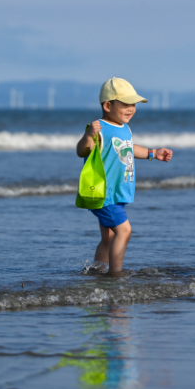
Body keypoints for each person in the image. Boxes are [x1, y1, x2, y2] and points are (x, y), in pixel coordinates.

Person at [76, 77, 174, 274]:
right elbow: (82, 151)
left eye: (134, 105)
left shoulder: (124, 128)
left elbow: (128, 148)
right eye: (126, 104)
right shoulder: (99, 128)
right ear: (108, 105)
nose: (131, 109)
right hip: (106, 193)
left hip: (117, 193)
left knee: (109, 238)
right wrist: (88, 136)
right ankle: (115, 274)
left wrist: (153, 153)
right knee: (124, 231)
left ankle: (97, 270)